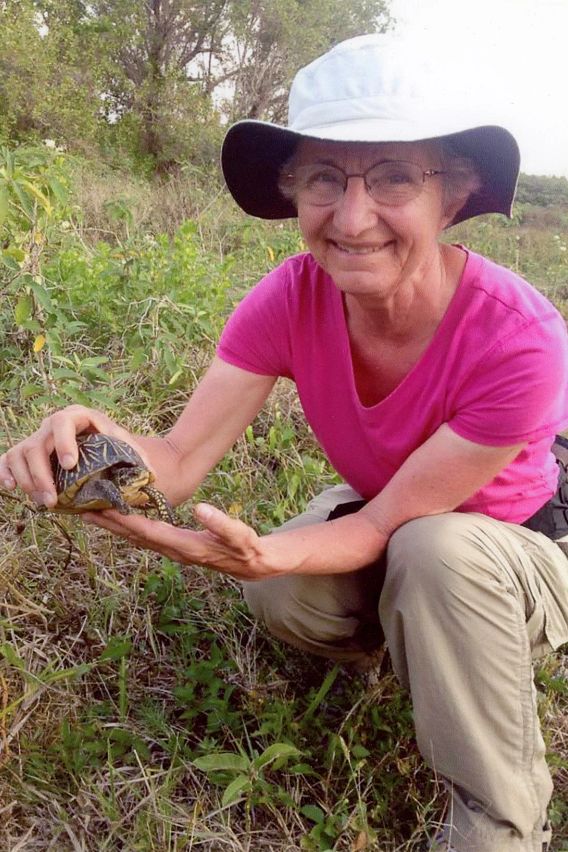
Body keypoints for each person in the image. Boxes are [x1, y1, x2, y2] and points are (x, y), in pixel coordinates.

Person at [2, 33, 568, 852]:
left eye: (395, 177)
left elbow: (384, 532)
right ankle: (412, 646)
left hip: (514, 546)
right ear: (294, 191)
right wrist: (91, 442)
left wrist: (276, 550)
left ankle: (498, 823)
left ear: (454, 194)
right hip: (393, 522)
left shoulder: (521, 339)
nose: (352, 216)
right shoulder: (289, 298)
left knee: (432, 556)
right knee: (280, 590)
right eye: (325, 177)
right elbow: (180, 459)